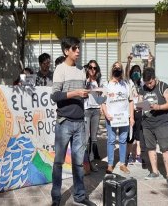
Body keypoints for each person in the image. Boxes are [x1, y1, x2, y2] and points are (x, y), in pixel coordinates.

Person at [50, 37, 96, 206]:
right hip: (64, 123)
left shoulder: (81, 71)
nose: (78, 51)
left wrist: (93, 93)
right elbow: (55, 96)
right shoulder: (59, 70)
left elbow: (81, 95)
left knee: (78, 163)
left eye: (78, 48)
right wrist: (75, 92)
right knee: (58, 162)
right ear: (66, 51)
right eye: (75, 48)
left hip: (80, 122)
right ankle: (56, 197)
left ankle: (80, 195)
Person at [140, 67, 168, 187]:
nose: (149, 85)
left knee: (165, 148)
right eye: (146, 83)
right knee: (150, 148)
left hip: (162, 123)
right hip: (147, 123)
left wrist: (158, 107)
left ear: (154, 78)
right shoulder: (143, 88)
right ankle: (154, 172)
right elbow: (140, 102)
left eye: (150, 82)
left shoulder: (163, 87)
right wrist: (139, 105)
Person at [101, 62, 134, 174]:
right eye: (115, 67)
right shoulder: (106, 85)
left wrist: (132, 117)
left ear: (122, 70)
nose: (117, 69)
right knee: (111, 140)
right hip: (111, 118)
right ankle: (110, 164)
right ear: (112, 69)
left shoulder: (126, 84)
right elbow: (103, 102)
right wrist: (106, 114)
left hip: (124, 118)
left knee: (123, 140)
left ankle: (122, 164)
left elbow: (130, 101)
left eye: (119, 68)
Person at [84, 60, 102, 170]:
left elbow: (102, 96)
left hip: (96, 110)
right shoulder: (84, 80)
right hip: (86, 110)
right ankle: (85, 163)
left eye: (95, 68)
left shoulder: (99, 81)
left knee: (93, 138)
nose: (92, 70)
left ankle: (90, 161)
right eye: (90, 67)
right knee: (86, 137)